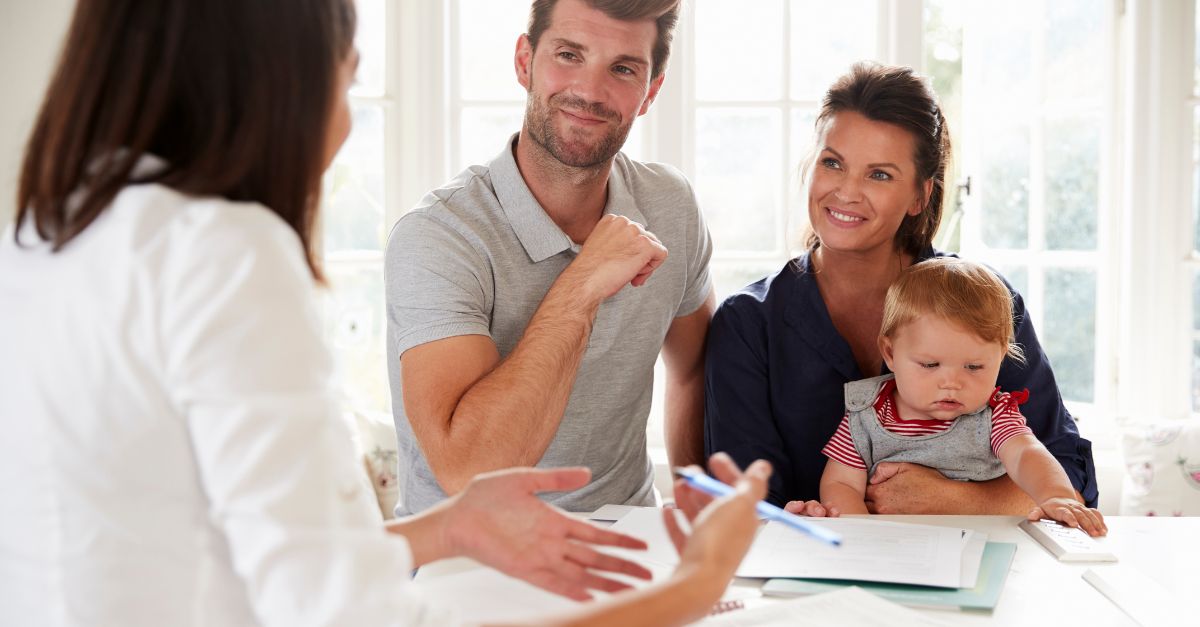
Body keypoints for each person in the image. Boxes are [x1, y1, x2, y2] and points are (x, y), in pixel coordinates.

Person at [0, 1, 771, 625]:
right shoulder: (227, 253)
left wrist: (447, 525)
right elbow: (341, 608)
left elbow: (258, 545)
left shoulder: (45, 234)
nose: (342, 122)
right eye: (346, 80)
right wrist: (693, 587)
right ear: (276, 81)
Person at [704, 62, 1098, 514]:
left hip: (976, 573)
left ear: (919, 196)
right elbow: (745, 504)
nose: (847, 192)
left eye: (880, 174)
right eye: (832, 163)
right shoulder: (747, 324)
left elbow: (1072, 480)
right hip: (819, 573)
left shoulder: (985, 302)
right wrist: (805, 519)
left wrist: (955, 500)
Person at [386, 0, 714, 516]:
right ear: (525, 62)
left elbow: (694, 369)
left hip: (629, 540)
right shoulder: (439, 236)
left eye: (623, 69)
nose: (590, 91)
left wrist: (695, 506)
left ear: (650, 90)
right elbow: (470, 472)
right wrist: (583, 284)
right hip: (470, 561)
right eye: (568, 54)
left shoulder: (670, 205)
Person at [813, 258, 1106, 535]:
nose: (952, 383)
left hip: (981, 545)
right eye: (930, 365)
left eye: (974, 367)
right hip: (896, 550)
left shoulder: (995, 415)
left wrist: (1056, 496)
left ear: (1001, 358)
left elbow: (1026, 455)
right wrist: (862, 534)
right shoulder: (867, 414)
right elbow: (840, 483)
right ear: (890, 353)